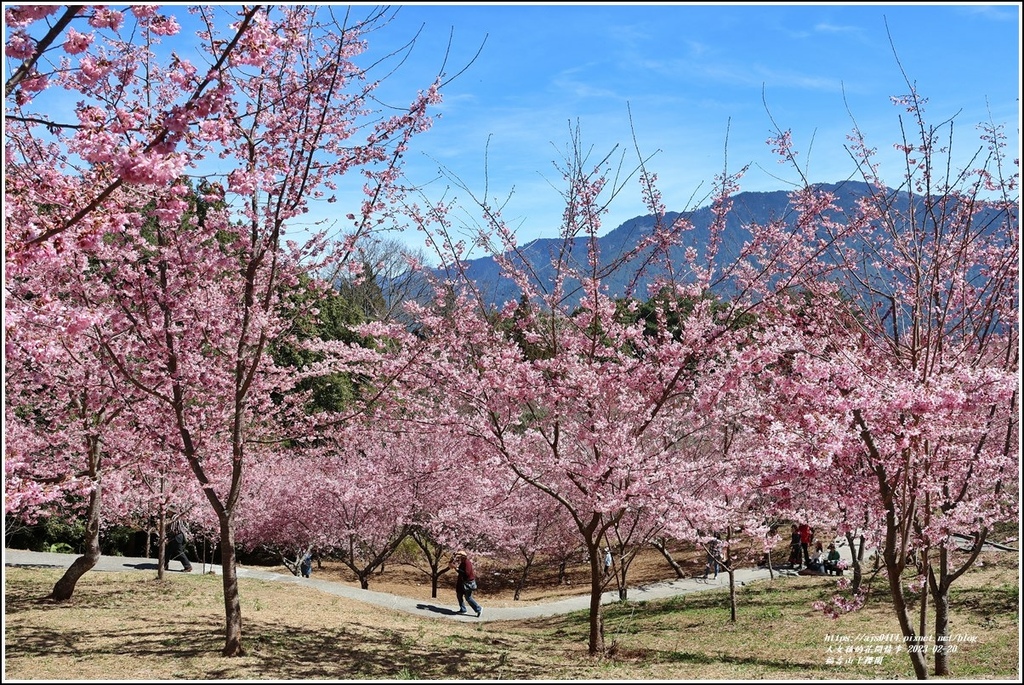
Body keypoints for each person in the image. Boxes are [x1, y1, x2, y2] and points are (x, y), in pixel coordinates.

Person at [449, 549, 482, 617]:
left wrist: (457, 569)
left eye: (460, 557)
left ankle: (478, 609)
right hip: (461, 582)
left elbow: (466, 573)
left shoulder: (467, 563)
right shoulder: (463, 562)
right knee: (459, 595)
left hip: (467, 583)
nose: (459, 558)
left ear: (463, 557)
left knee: (468, 598)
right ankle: (463, 609)